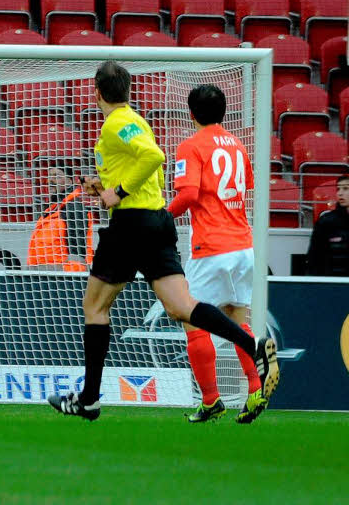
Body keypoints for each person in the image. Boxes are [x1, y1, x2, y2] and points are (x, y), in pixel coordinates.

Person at [46, 61, 279, 421]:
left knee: (95, 308)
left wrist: (118, 192)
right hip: (158, 222)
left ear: (97, 92)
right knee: (182, 307)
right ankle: (253, 345)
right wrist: (103, 186)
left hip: (132, 224)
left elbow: (154, 157)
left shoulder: (117, 123)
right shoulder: (135, 120)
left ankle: (89, 399)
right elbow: (143, 164)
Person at [167, 84, 267, 424]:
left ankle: (211, 400)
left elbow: (189, 194)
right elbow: (244, 187)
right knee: (238, 320)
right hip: (243, 245)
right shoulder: (238, 145)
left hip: (210, 247)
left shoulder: (190, 146)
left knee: (190, 319)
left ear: (191, 114)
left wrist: (161, 217)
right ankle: (255, 389)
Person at [27, 166, 93, 271]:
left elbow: (77, 251)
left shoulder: (74, 208)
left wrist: (73, 279)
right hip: (45, 277)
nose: (50, 180)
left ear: (69, 181)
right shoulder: (52, 209)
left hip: (62, 280)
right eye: (49, 177)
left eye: (56, 176)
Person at [306, 175, 349, 276]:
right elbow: (314, 259)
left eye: (346, 188)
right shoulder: (325, 222)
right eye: (338, 189)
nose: (340, 193)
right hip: (331, 285)